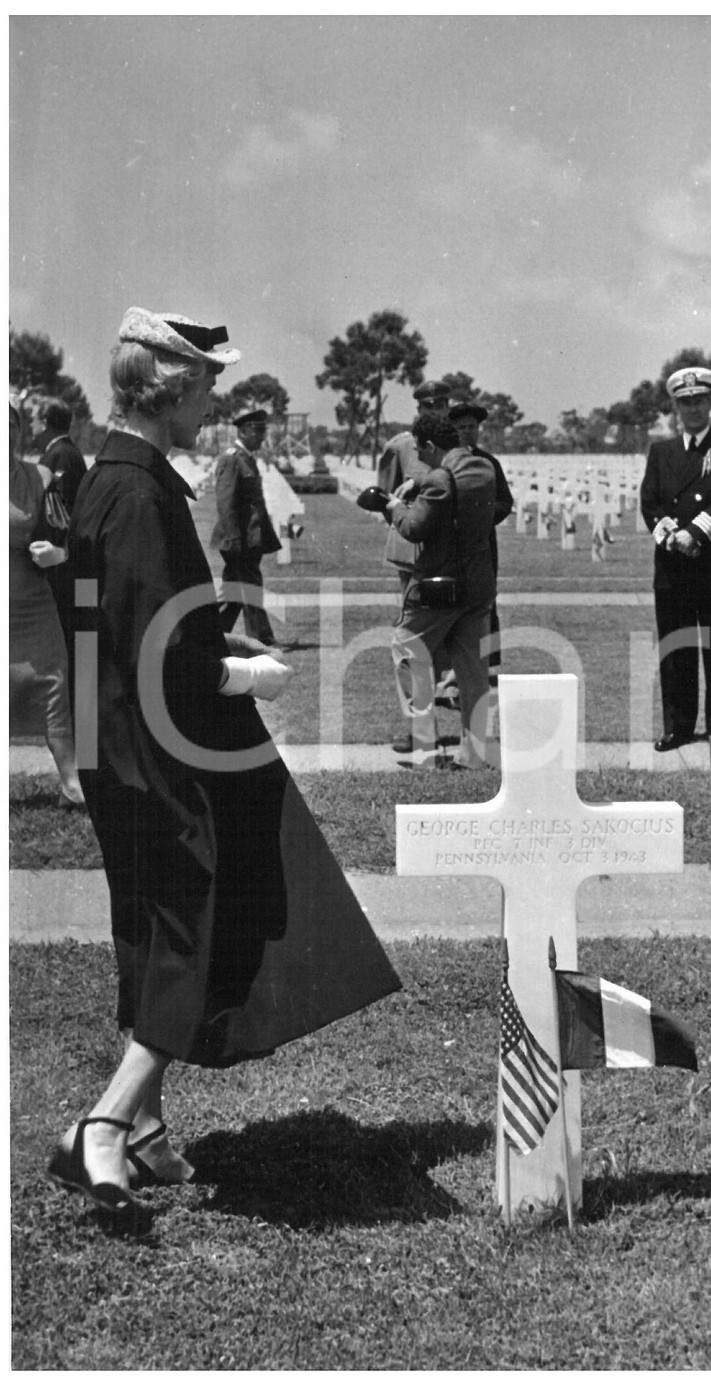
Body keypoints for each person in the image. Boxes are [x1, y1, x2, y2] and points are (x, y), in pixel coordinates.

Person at [49, 309, 400, 1233]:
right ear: (168, 388)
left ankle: (147, 1130)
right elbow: (153, 646)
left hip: (119, 737)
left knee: (153, 917)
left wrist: (216, 638)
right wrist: (244, 674)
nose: (212, 402)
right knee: (194, 916)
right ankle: (104, 1124)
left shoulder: (109, 481)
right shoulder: (137, 494)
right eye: (206, 385)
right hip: (157, 744)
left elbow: (117, 618)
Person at [640, 367, 711, 751]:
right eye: (685, 402)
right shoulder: (661, 452)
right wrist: (672, 537)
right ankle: (679, 727)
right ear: (676, 406)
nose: (693, 408)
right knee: (676, 651)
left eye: (700, 401)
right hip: (673, 567)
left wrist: (695, 534)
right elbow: (650, 502)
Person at [385, 415, 499, 770]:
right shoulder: (484, 469)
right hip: (478, 585)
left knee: (406, 648)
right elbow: (449, 479)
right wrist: (419, 481)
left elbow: (413, 528)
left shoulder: (438, 481)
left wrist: (395, 508)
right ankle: (475, 755)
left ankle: (426, 750)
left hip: (440, 586)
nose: (419, 457)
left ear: (431, 446)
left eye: (420, 451)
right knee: (472, 670)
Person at [9, 402, 85, 805]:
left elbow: (67, 532)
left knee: (54, 681)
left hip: (35, 604)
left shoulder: (39, 476)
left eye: (10, 424)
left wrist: (57, 553)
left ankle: (71, 783)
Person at [375, 380, 459, 739]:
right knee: (415, 637)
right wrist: (407, 519)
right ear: (419, 408)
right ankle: (420, 731)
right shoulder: (400, 446)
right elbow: (384, 496)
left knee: (441, 637)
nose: (435, 410)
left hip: (447, 554)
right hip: (412, 552)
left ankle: (434, 713)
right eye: (428, 405)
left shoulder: (456, 445)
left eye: (441, 404)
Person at [449, 401, 514, 691]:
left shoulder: (489, 462)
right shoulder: (447, 462)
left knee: (485, 600)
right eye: (462, 427)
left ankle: (483, 663)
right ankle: (451, 667)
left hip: (483, 543)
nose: (467, 431)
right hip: (452, 543)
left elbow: (505, 501)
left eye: (472, 427)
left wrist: (483, 517)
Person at [211, 407, 282, 646]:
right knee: (250, 587)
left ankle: (212, 637)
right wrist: (233, 539)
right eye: (257, 431)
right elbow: (225, 503)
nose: (262, 436)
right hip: (239, 540)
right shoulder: (232, 459)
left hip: (250, 539)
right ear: (242, 432)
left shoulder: (246, 458)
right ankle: (263, 640)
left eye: (263, 431)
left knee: (233, 593)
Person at [34, 396, 88, 675]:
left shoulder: (61, 456)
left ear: (45, 422)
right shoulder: (65, 452)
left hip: (64, 569)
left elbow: (61, 517)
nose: (31, 425)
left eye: (34, 419)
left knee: (70, 636)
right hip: (68, 566)